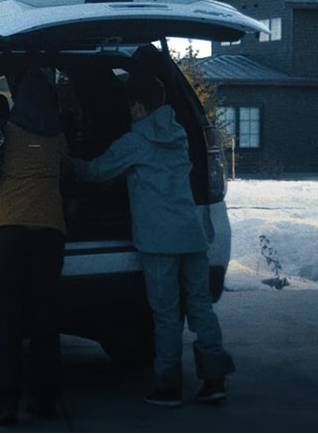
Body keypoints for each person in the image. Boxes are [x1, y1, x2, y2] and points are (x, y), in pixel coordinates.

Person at [72, 73, 235, 407]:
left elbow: (98, 171)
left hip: (159, 241)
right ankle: (214, 379)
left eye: (131, 107)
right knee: (201, 307)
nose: (129, 113)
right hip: (192, 235)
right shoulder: (179, 132)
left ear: (138, 106)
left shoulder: (136, 140)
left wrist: (65, 164)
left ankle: (168, 386)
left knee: (165, 315)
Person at [0, 68, 68, 426]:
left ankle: (6, 401)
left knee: (7, 316)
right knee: (45, 318)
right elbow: (70, 175)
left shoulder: (5, 134)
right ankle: (45, 399)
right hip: (49, 231)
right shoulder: (59, 139)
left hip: (6, 231)